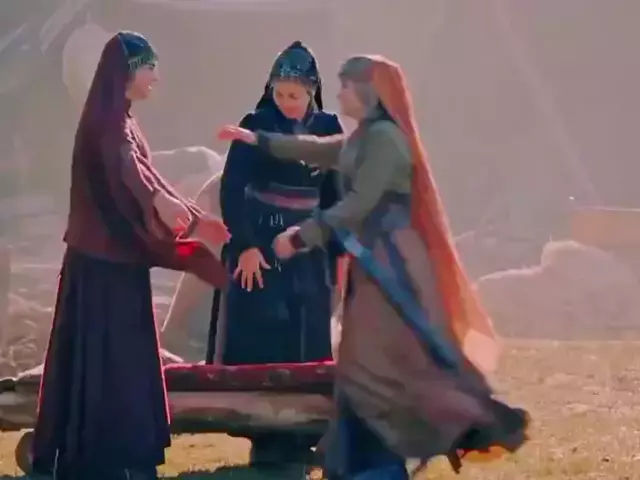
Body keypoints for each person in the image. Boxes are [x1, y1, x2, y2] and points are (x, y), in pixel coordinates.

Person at [218, 55, 530, 479]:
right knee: (362, 363)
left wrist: (301, 236)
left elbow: (359, 203)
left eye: (346, 86)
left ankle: (406, 451)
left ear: (367, 91)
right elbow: (321, 149)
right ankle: (358, 461)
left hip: (392, 263)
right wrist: (258, 140)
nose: (339, 93)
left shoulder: (385, 140)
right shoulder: (365, 136)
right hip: (373, 261)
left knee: (377, 364)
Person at [30, 31, 230, 480]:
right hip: (99, 268)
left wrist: (196, 219)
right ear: (127, 71)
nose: (156, 76)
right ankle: (99, 458)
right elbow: (129, 172)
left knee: (126, 361)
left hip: (120, 264)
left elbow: (149, 175)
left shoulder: (124, 119)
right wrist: (162, 204)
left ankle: (123, 456)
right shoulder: (105, 123)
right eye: (149, 67)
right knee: (106, 362)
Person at [218, 41, 342, 366]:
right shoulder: (255, 124)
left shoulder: (328, 129)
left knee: (309, 344)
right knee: (258, 343)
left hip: (309, 248)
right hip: (261, 243)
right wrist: (245, 246)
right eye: (280, 94)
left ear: (311, 92)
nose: (286, 102)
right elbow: (232, 188)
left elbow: (335, 196)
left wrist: (337, 260)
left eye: (294, 96)